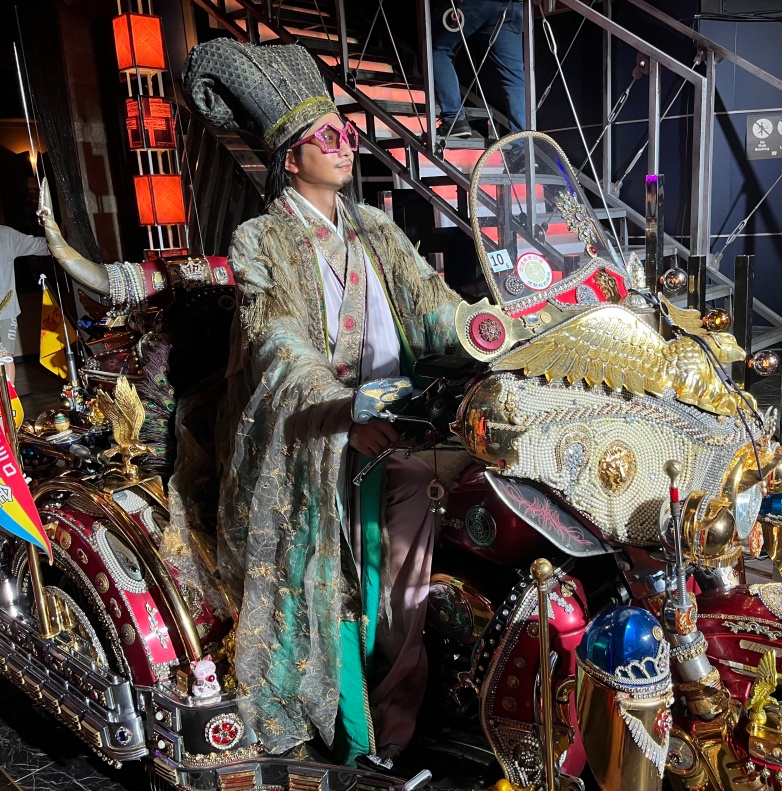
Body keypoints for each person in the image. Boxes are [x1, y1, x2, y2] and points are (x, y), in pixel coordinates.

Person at [182, 40, 462, 766]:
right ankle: (351, 732)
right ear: (291, 158)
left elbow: (430, 304)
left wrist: (489, 326)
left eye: (348, 132)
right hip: (304, 437)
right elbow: (277, 343)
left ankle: (397, 725)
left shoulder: (374, 227)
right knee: (326, 583)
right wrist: (342, 411)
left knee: (405, 583)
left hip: (392, 427)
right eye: (328, 136)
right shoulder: (260, 240)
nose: (346, 145)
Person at [431, 0, 526, 139]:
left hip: (478, 3)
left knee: (438, 50)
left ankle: (454, 119)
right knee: (513, 77)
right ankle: (522, 142)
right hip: (513, 6)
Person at [0, 224, 49, 383]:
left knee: (5, 357)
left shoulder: (5, 235)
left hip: (4, 311)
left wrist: (60, 240)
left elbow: (40, 245)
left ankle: (9, 396)